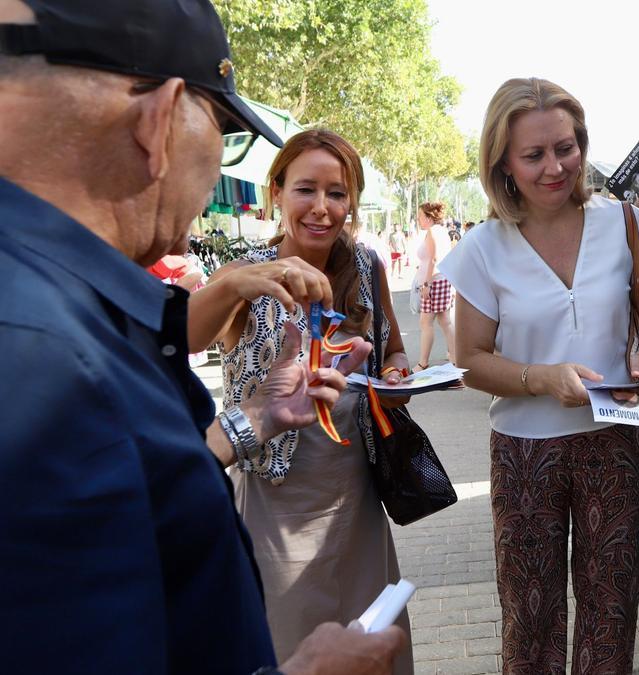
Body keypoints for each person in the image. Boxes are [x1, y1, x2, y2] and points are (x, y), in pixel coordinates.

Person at [0, 0, 406, 673]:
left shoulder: (58, 316)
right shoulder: (42, 360)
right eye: (222, 128)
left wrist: (255, 417)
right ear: (161, 120)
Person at [439, 77, 639, 673]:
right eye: (534, 154)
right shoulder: (483, 248)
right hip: (525, 453)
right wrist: (543, 379)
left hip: (618, 439)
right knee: (530, 617)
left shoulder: (624, 221)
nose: (555, 167)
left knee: (610, 612)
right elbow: (469, 359)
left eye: (565, 148)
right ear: (504, 164)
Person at [189, 129, 415, 672]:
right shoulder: (245, 273)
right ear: (276, 192)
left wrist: (397, 376)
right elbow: (185, 339)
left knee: (367, 643)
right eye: (305, 189)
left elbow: (394, 349)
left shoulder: (366, 267)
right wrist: (232, 286)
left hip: (356, 493)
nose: (322, 208)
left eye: (337, 193)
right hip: (275, 503)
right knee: (287, 644)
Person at [414, 201, 456, 370]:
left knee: (426, 322)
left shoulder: (432, 232)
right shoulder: (442, 232)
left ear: (429, 218)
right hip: (441, 279)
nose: (419, 220)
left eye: (420, 217)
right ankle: (455, 358)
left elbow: (433, 259)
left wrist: (426, 284)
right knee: (445, 321)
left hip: (434, 281)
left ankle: (423, 362)